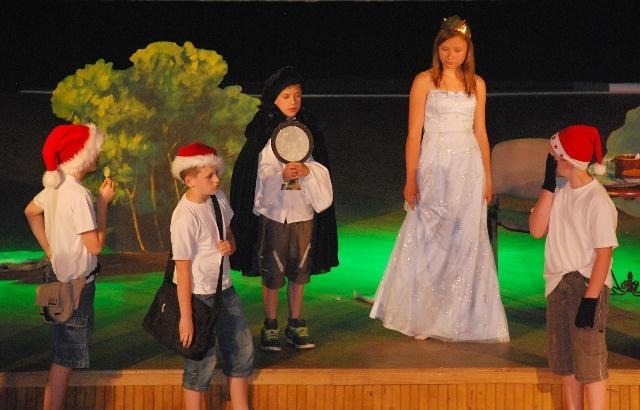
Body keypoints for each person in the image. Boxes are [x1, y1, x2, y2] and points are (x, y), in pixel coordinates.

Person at [369, 16, 510, 342]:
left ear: (467, 51)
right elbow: (413, 133)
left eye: (457, 50)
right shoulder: (424, 81)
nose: (451, 56)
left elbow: (481, 132)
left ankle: (460, 316)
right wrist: (411, 177)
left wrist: (488, 177)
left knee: (466, 238)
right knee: (429, 235)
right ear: (438, 49)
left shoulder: (477, 84)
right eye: (445, 49)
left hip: (467, 168)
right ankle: (424, 314)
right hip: (434, 166)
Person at [230, 66, 339, 352]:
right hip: (275, 214)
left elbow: (320, 168)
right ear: (274, 99)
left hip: (303, 213)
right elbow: (256, 173)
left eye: (297, 96)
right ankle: (270, 323)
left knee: (300, 269)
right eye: (286, 96)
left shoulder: (308, 130)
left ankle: (295, 321)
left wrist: (306, 170)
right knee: (273, 270)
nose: (293, 102)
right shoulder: (264, 132)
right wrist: (280, 174)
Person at [24, 123, 116, 410]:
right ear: (82, 156)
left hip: (55, 278)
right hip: (74, 287)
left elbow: (31, 211)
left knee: (60, 355)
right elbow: (95, 246)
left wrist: (50, 249)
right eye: (94, 149)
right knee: (65, 360)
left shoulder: (55, 187)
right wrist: (103, 204)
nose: (98, 154)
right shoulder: (78, 195)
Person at [529, 125, 617, 410]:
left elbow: (604, 254)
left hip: (586, 286)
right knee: (566, 364)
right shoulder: (559, 191)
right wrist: (548, 186)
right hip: (558, 285)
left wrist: (591, 300)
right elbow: (536, 229)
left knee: (590, 361)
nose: (551, 160)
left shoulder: (597, 200)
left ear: (568, 160)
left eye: (554, 155)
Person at [169, 142, 254, 410]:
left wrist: (230, 245)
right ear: (189, 180)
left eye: (217, 173)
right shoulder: (184, 218)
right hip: (197, 297)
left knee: (241, 351)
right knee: (200, 361)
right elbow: (183, 270)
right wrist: (186, 317)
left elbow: (228, 233)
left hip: (224, 289)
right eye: (209, 176)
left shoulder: (218, 198)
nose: (217, 180)